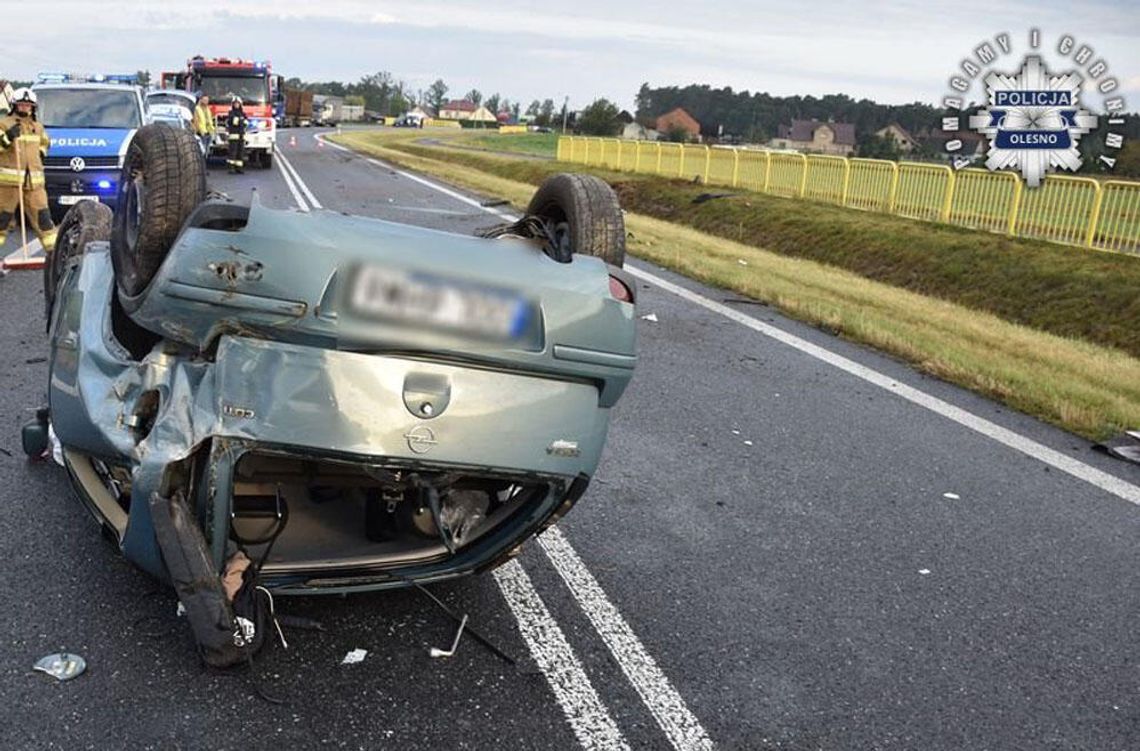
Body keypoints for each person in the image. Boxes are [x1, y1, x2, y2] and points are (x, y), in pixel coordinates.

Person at [0, 88, 55, 252]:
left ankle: (57, 258)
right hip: (7, 186)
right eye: (21, 105)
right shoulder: (4, 124)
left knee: (45, 222)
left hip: (34, 186)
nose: (25, 108)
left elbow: (45, 142)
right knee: (1, 222)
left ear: (33, 107)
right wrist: (7, 137)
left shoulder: (37, 127)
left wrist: (41, 153)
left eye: (28, 105)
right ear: (14, 106)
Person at [225, 97, 247, 174]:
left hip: (241, 136)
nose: (236, 105)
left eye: (238, 103)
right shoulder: (231, 113)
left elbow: (246, 123)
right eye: (235, 103)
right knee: (232, 152)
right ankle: (231, 168)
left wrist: (240, 121)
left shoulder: (243, 113)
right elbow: (234, 122)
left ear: (240, 104)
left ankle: (239, 168)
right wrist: (241, 121)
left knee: (240, 152)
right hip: (233, 136)